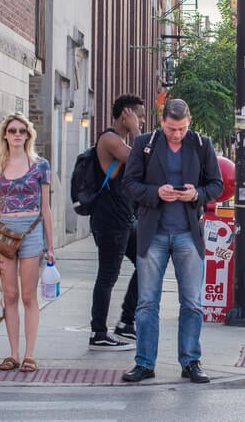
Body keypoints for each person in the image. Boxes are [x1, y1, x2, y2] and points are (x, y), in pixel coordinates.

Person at [121, 98, 224, 384]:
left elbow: (215, 184)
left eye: (180, 129)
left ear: (188, 122)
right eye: (171, 129)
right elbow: (129, 184)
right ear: (162, 122)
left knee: (192, 302)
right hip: (152, 233)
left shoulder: (202, 145)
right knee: (146, 303)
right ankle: (144, 363)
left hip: (187, 234)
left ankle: (190, 361)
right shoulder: (146, 143)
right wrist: (156, 192)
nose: (176, 134)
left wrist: (196, 195)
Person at [0, 113, 54, 373]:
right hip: (4, 232)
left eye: (21, 131)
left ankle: (29, 354)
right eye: (12, 130)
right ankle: (13, 353)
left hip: (32, 231)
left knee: (28, 296)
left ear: (28, 136)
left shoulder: (40, 166)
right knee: (10, 295)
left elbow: (46, 208)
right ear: (5, 134)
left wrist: (50, 246)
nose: (17, 135)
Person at [88, 94, 145, 350]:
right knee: (108, 275)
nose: (142, 122)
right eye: (139, 116)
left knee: (147, 261)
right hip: (109, 220)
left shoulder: (119, 140)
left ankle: (126, 321)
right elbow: (140, 159)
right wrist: (135, 131)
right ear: (126, 113)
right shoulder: (110, 139)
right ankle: (98, 332)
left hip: (124, 218)